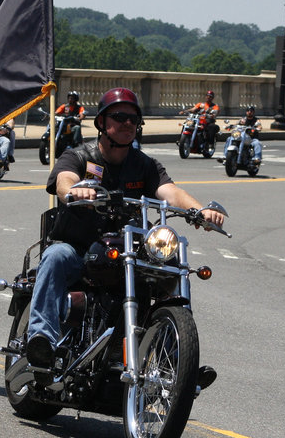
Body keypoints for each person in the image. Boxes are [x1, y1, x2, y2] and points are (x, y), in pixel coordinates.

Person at [25, 87, 226, 389]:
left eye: (133, 119)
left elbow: (170, 192)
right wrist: (74, 190)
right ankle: (41, 339)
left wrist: (199, 210)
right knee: (55, 257)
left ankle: (177, 360)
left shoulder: (144, 165)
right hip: (79, 247)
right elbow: (64, 179)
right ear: (102, 123)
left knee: (169, 267)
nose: (127, 124)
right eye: (119, 117)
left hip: (126, 249)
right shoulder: (80, 155)